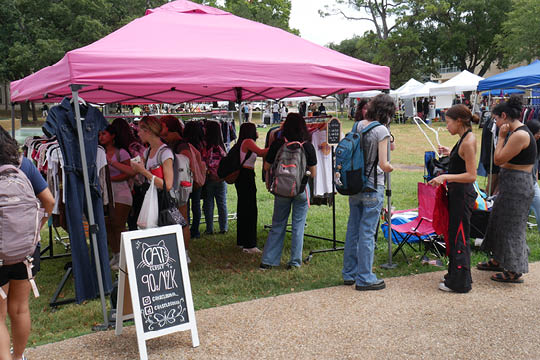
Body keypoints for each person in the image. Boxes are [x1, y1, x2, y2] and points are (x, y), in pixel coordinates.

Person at [0, 125, 55, 360]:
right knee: (20, 308)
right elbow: (49, 201)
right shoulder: (24, 164)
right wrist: (36, 229)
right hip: (26, 250)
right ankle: (18, 356)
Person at [477, 96, 537, 283]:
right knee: (498, 222)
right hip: (510, 184)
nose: (495, 123)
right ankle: (498, 259)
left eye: (496, 119)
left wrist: (501, 138)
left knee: (512, 227)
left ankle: (514, 270)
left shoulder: (520, 134)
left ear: (504, 116)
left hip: (518, 186)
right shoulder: (517, 132)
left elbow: (499, 159)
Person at [342, 94, 394, 291]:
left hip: (355, 183)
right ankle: (365, 277)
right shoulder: (381, 130)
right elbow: (383, 163)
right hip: (373, 185)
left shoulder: (358, 125)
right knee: (367, 232)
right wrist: (391, 167)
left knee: (353, 230)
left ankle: (349, 273)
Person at [428, 105, 478, 293]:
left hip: (462, 194)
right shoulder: (464, 138)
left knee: (459, 235)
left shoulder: (468, 141)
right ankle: (457, 275)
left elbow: (471, 175)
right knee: (455, 233)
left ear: (458, 121)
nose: (446, 127)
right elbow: (464, 161)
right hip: (457, 194)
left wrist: (445, 177)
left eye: (448, 123)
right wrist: (452, 153)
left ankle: (460, 282)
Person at [260, 113, 317, 270]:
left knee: (278, 223)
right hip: (300, 189)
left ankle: (268, 261)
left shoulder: (278, 143)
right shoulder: (307, 146)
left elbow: (266, 167)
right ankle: (294, 262)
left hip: (281, 190)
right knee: (298, 225)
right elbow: (313, 173)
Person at [99, 125, 135, 270]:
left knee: (118, 224)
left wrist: (112, 165)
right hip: (106, 194)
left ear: (113, 136)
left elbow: (130, 172)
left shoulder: (122, 153)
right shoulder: (98, 153)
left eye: (104, 134)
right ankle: (116, 254)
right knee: (108, 225)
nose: (101, 137)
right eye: (100, 134)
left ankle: (126, 256)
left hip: (121, 193)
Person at [236, 122, 268, 253]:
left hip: (243, 176)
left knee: (243, 208)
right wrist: (276, 145)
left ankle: (242, 240)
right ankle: (250, 244)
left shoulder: (242, 142)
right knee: (250, 209)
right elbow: (261, 153)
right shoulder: (248, 141)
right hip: (246, 176)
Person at [201, 121, 228, 234]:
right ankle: (223, 228)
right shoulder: (222, 147)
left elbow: (203, 162)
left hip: (209, 179)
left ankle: (209, 228)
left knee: (208, 204)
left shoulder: (206, 147)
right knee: (222, 204)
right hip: (221, 179)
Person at [526, 119, 540, 233]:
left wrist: (535, 180)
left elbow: (536, 167)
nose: (539, 135)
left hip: (533, 183)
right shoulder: (523, 143)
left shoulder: (537, 145)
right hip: (523, 182)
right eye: (537, 133)